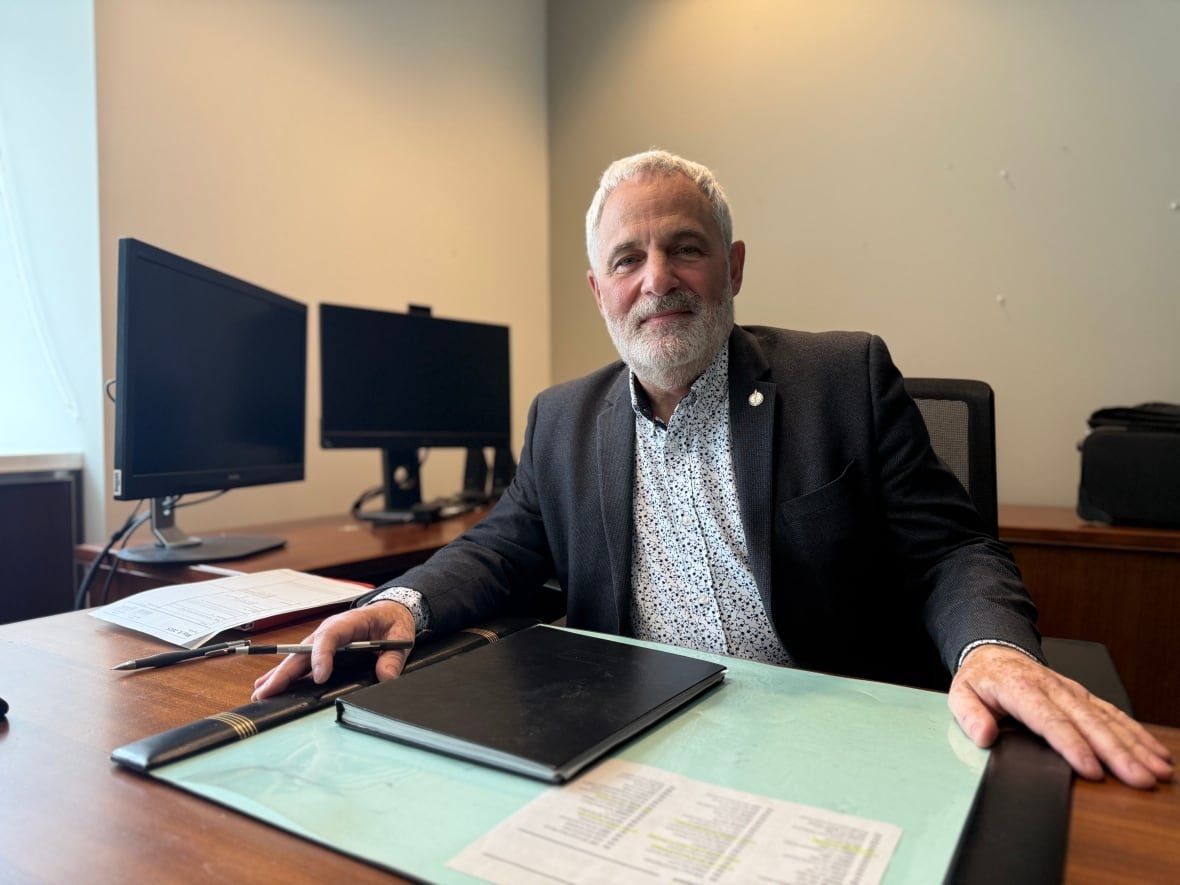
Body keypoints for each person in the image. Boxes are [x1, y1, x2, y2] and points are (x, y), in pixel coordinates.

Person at [255, 149, 1172, 789]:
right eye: (628, 258)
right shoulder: (562, 418)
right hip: (637, 745)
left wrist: (992, 649)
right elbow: (502, 546)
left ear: (730, 265)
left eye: (684, 247)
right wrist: (404, 602)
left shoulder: (841, 377)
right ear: (599, 291)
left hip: (841, 737)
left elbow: (950, 553)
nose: (657, 277)